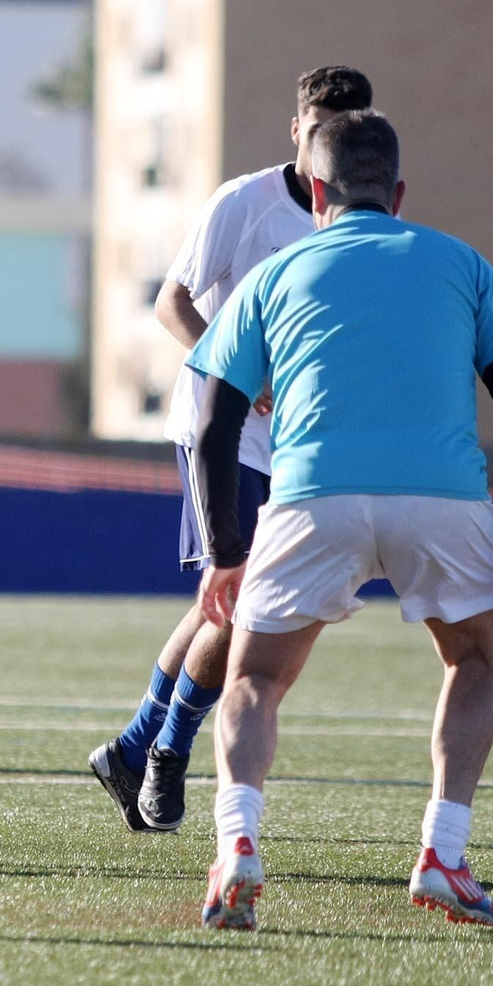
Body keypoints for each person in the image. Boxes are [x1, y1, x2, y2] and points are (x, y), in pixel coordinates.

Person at [186, 110, 493, 930]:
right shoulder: (461, 261)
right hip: (444, 498)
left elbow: (214, 418)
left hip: (313, 495)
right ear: (398, 191)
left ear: (315, 189)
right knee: (476, 663)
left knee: (254, 678)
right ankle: (442, 853)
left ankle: (237, 845)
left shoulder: (277, 272)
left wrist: (224, 550)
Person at [89, 66, 374, 833]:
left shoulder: (360, 222)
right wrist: (238, 375)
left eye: (348, 129)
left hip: (298, 445)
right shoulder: (244, 203)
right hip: (221, 428)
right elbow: (170, 301)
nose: (332, 143)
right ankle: (168, 753)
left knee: (221, 602)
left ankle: (132, 745)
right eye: (321, 128)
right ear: (297, 130)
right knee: (241, 597)